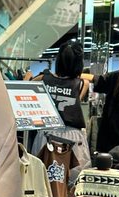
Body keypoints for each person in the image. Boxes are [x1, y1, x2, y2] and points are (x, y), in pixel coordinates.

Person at [27, 40, 92, 183]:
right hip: (73, 137)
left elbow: (25, 87)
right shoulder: (82, 84)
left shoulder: (42, 79)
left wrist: (28, 76)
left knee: (41, 179)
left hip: (47, 134)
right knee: (72, 182)